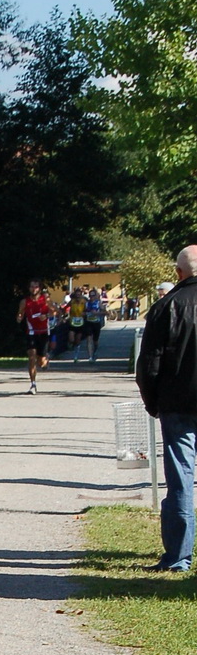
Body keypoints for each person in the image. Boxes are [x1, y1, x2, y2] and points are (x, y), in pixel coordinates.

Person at [135, 245, 197, 574]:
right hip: (176, 403)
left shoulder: (165, 306)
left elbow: (149, 364)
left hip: (177, 403)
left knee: (181, 479)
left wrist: (152, 402)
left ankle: (179, 555)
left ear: (178, 273)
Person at [17, 279, 51, 392]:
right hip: (31, 332)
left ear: (39, 288)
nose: (34, 289)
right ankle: (33, 384)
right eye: (32, 287)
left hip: (43, 331)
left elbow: (55, 312)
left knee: (41, 362)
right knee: (31, 357)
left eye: (36, 287)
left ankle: (45, 360)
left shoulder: (45, 300)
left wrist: (46, 316)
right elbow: (20, 313)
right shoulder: (25, 301)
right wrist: (19, 317)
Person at [84, 284, 104, 361]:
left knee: (95, 341)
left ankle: (94, 352)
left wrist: (97, 313)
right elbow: (83, 312)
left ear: (95, 296)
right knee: (89, 339)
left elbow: (105, 312)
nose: (92, 297)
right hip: (89, 323)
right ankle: (90, 357)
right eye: (90, 296)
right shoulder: (86, 303)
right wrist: (85, 313)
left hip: (96, 323)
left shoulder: (98, 303)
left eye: (93, 295)